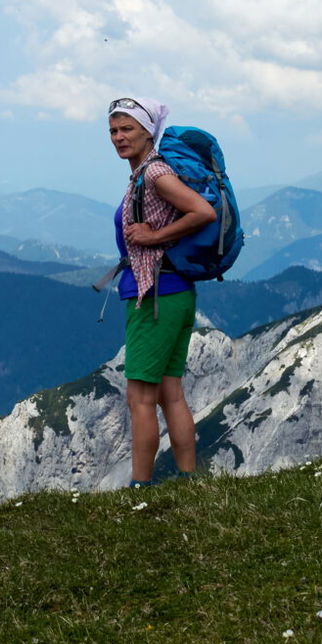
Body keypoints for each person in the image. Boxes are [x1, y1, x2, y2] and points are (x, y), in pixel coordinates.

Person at [108, 96, 216, 487]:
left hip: (155, 295)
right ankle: (189, 480)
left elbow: (204, 212)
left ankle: (140, 487)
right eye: (113, 131)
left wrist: (154, 236)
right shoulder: (144, 173)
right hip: (175, 293)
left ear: (148, 131)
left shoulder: (154, 173)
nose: (119, 138)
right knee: (170, 392)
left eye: (127, 129)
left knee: (139, 398)